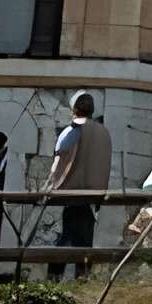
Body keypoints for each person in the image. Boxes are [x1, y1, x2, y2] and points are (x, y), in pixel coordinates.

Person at [42, 93, 111, 278]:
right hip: (92, 195)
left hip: (73, 194)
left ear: (74, 109)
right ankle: (80, 277)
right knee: (83, 239)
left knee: (69, 239)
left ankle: (55, 278)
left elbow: (59, 161)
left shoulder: (71, 130)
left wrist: (49, 186)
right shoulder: (103, 132)